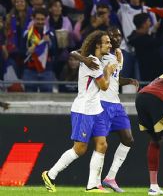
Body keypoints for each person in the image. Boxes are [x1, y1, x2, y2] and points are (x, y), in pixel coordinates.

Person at [41, 30, 117, 193]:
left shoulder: (95, 59)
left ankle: (92, 185)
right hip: (84, 110)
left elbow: (75, 52)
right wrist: (109, 71)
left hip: (96, 109)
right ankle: (50, 174)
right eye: (107, 42)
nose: (110, 45)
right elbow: (104, 86)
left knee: (102, 145)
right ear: (98, 45)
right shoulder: (94, 61)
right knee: (80, 149)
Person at [70, 28, 139, 192]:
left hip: (116, 104)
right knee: (101, 144)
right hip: (101, 103)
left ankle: (110, 177)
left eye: (119, 36)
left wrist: (128, 80)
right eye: (113, 36)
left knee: (128, 139)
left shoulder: (118, 54)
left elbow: (114, 79)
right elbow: (74, 52)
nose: (117, 38)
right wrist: (83, 59)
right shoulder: (99, 53)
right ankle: (94, 182)